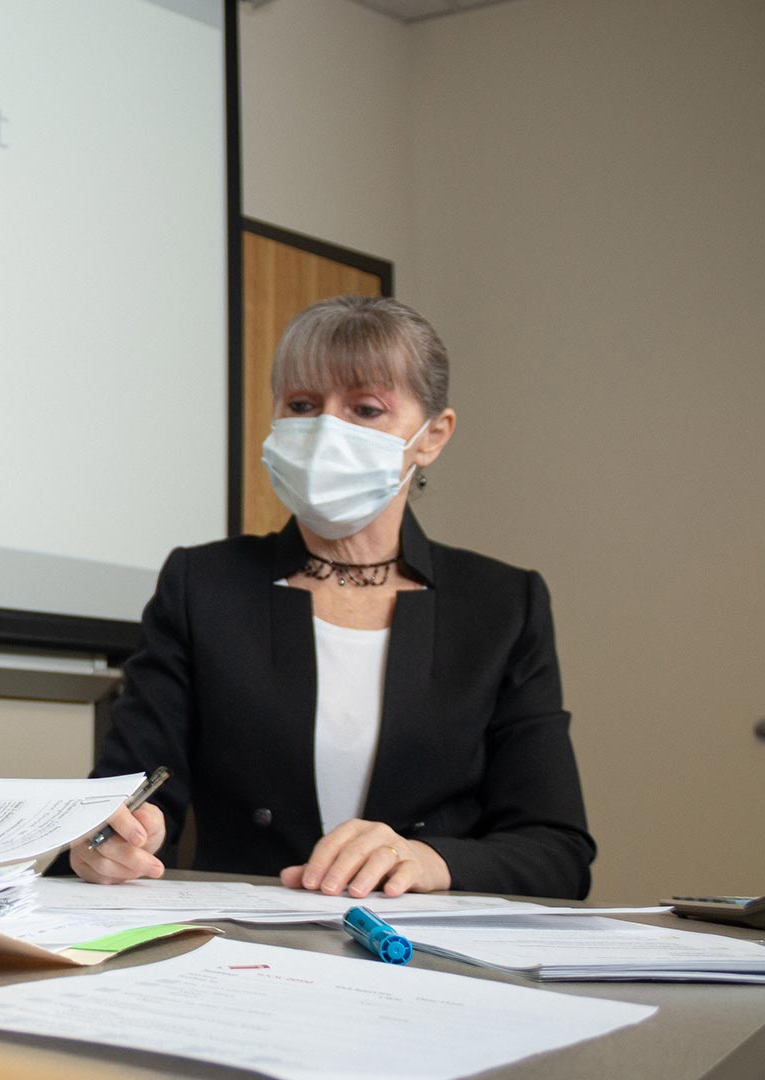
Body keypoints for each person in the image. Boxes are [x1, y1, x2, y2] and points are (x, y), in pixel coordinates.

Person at [68, 296, 594, 900]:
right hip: (243, 956)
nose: (325, 432)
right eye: (301, 405)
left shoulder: (502, 604)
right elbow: (119, 802)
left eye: (366, 409)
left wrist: (429, 860)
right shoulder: (203, 584)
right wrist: (104, 843)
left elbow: (559, 852)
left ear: (433, 436)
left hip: (430, 963)